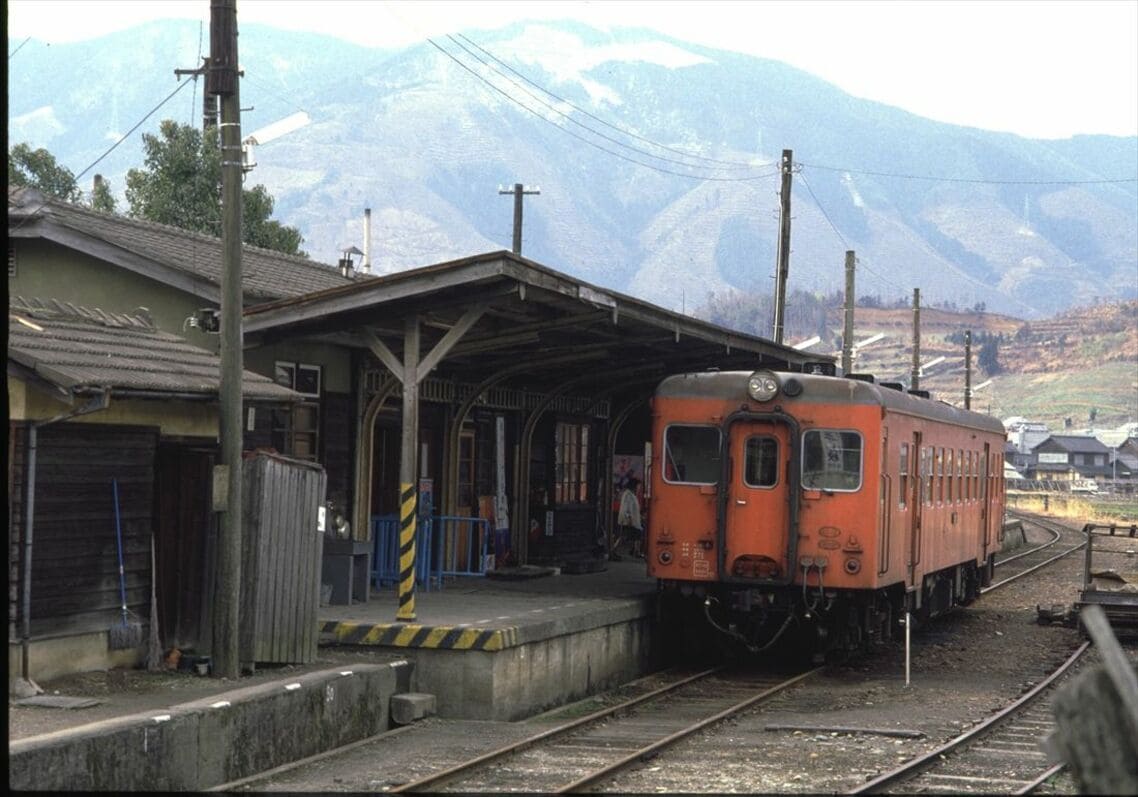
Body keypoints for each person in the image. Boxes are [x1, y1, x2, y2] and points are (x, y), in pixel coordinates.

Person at [616, 476, 643, 558]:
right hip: (629, 520)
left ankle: (635, 551)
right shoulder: (628, 495)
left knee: (636, 535)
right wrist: (629, 518)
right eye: (638, 486)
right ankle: (614, 551)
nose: (639, 488)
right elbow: (626, 508)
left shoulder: (631, 494)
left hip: (633, 520)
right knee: (624, 537)